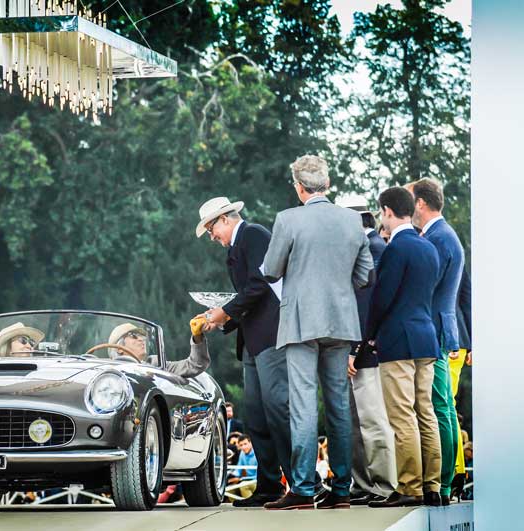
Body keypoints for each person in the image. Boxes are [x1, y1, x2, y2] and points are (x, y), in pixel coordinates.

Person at [262, 155, 375, 511]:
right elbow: (365, 274)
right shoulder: (352, 221)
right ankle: (341, 489)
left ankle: (303, 487)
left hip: (300, 322)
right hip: (341, 322)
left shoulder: (288, 219)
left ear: (299, 186)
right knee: (339, 404)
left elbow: (271, 269)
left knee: (303, 404)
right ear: (327, 184)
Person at [194, 196, 293, 508]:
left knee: (277, 408)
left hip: (272, 336)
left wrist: (223, 312)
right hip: (253, 339)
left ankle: (303, 482)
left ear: (225, 219)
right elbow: (249, 298)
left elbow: (260, 285)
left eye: (212, 229)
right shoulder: (238, 246)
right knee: (255, 413)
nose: (212, 236)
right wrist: (222, 321)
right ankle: (269, 484)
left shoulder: (254, 235)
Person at [364, 187, 443, 508]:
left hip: (399, 340)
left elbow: (382, 298)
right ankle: (433, 485)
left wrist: (369, 336)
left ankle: (409, 486)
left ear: (386, 211)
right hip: (427, 337)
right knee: (426, 413)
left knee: (401, 416)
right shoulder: (428, 247)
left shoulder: (396, 249)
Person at [335, 194, 397, 505]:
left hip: (366, 352)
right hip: (356, 348)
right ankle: (364, 484)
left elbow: (366, 306)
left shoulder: (373, 249)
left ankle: (383, 484)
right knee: (356, 422)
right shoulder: (364, 248)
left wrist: (354, 349)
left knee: (372, 421)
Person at [410, 178, 464, 505]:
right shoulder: (441, 236)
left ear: (420, 203)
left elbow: (425, 289)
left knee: (440, 407)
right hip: (438, 328)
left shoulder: (438, 238)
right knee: (441, 406)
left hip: (432, 332)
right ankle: (442, 480)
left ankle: (442, 482)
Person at [107, 318, 211, 377]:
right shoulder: (106, 370)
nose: (141, 339)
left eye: (142, 336)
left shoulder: (155, 364)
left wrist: (197, 336)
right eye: (133, 336)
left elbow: (195, 365)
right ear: (119, 348)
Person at [450, 267, 472, 499]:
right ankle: (457, 471)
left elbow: (466, 298)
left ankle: (456, 470)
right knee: (447, 406)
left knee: (445, 406)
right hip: (458, 338)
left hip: (451, 342)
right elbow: (467, 298)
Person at [231, 435, 259, 500]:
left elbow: (260, 474)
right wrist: (232, 476)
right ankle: (236, 508)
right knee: (230, 490)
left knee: (243, 486)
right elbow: (238, 470)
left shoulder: (257, 453)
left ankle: (252, 507)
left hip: (257, 481)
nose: (243, 447)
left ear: (250, 443)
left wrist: (241, 479)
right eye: (241, 445)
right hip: (246, 480)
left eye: (245, 444)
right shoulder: (242, 453)